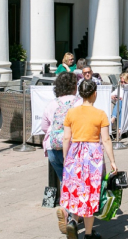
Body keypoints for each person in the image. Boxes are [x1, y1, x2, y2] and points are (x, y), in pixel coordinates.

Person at [59, 80, 117, 239]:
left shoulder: (71, 113)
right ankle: (89, 234)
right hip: (93, 156)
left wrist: (66, 157)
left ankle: (73, 222)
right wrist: (112, 160)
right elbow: (106, 140)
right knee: (90, 193)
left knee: (76, 189)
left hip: (75, 153)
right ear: (94, 93)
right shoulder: (100, 114)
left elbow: (66, 138)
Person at [41, 73, 81, 234]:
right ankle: (69, 213)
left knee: (65, 180)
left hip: (53, 147)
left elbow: (45, 126)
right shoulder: (78, 103)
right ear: (74, 86)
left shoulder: (52, 104)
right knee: (76, 183)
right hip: (72, 148)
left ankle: (66, 209)